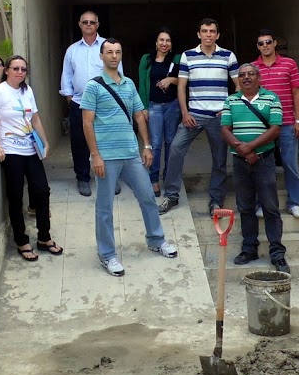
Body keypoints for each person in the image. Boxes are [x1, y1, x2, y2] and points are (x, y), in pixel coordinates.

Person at [81, 38, 178, 277]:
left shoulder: (129, 84)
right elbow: (87, 122)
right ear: (101, 56)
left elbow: (138, 116)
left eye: (118, 52)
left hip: (130, 155)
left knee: (147, 197)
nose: (114, 56)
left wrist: (146, 145)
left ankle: (156, 239)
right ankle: (107, 254)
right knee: (104, 208)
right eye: (109, 52)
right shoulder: (93, 86)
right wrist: (95, 156)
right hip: (106, 157)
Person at [0, 55, 63, 262]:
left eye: (23, 69)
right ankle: (22, 240)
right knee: (16, 196)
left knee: (42, 191)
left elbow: (35, 118)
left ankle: (44, 237)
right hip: (11, 152)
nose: (19, 72)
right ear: (6, 70)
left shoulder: (28, 91)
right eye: (15, 68)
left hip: (30, 149)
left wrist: (45, 142)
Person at [158, 18, 239, 217]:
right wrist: (185, 113)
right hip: (193, 115)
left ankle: (216, 201)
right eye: (205, 31)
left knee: (219, 160)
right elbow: (182, 86)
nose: (208, 34)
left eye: (212, 31)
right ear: (199, 34)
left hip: (219, 117)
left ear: (217, 35)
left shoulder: (228, 56)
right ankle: (171, 195)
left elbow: (238, 86)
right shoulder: (188, 56)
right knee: (176, 149)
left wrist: (229, 108)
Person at [220, 63, 290, 273]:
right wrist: (241, 149)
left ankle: (277, 254)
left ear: (259, 78)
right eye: (242, 75)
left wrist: (250, 147)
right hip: (240, 162)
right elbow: (224, 128)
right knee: (245, 207)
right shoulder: (231, 100)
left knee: (270, 207)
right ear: (238, 79)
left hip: (264, 161)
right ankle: (249, 249)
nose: (246, 78)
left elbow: (276, 128)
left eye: (251, 74)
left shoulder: (271, 98)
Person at [60, 10, 122, 197]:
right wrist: (70, 99)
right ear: (80, 24)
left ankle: (110, 178)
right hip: (79, 103)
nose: (88, 25)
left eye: (92, 22)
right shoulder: (72, 50)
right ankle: (83, 178)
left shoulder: (107, 47)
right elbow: (67, 75)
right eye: (85, 22)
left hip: (105, 104)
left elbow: (118, 72)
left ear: (97, 24)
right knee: (79, 143)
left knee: (107, 142)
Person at [253, 29, 299, 218]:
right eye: (261, 43)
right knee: (261, 166)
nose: (265, 46)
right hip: (262, 126)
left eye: (268, 42)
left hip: (287, 123)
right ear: (257, 46)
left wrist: (298, 120)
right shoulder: (253, 68)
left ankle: (294, 203)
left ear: (275, 43)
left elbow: (296, 93)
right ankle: (261, 204)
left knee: (290, 164)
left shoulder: (289, 64)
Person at [137, 27, 181, 197]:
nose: (164, 43)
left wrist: (171, 79)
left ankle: (168, 178)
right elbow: (141, 84)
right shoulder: (146, 60)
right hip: (154, 106)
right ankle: (153, 180)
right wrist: (144, 107)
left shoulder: (177, 58)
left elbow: (185, 80)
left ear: (171, 44)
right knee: (155, 144)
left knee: (171, 142)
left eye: (168, 41)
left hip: (173, 105)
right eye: (161, 40)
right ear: (156, 42)